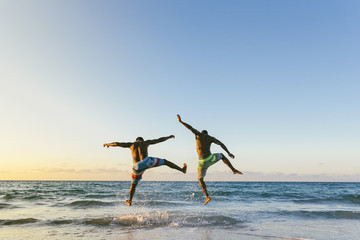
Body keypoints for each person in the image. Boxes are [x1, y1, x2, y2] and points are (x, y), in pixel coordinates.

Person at [104, 135, 187, 206]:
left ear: (136, 140)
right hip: (147, 162)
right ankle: (182, 169)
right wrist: (168, 137)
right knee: (165, 162)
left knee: (133, 184)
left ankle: (129, 200)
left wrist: (108, 144)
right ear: (142, 140)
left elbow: (117, 144)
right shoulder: (145, 143)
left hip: (137, 167)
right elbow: (158, 140)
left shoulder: (131, 144)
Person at [177, 114, 242, 205]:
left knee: (200, 179)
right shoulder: (210, 138)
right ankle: (233, 170)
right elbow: (221, 144)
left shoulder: (198, 135)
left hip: (202, 162)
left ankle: (207, 196)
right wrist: (228, 152)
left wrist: (181, 121)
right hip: (211, 158)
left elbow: (190, 128)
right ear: (207, 134)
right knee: (222, 155)